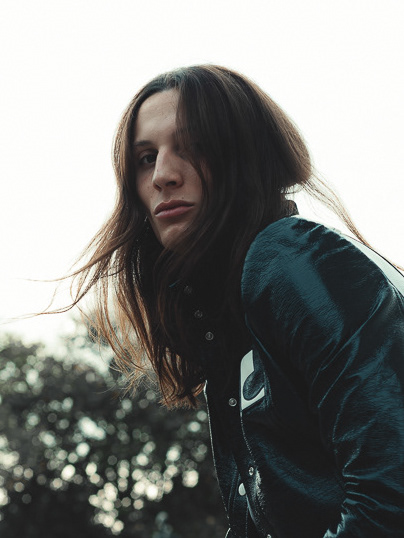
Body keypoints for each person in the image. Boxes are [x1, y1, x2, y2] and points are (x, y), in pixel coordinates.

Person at [68, 65, 404, 537]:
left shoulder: (289, 258)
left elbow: (388, 498)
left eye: (194, 146)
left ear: (245, 155)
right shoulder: (226, 325)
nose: (163, 175)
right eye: (145, 158)